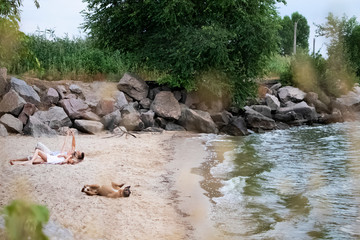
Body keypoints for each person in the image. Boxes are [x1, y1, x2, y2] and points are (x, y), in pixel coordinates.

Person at [10, 129, 85, 165]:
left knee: (36, 153)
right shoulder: (69, 155)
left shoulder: (69, 156)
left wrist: (69, 135)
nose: (78, 151)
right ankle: (16, 161)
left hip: (51, 156)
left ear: (77, 155)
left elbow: (69, 147)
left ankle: (28, 161)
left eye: (79, 152)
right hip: (51, 157)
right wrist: (72, 135)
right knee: (33, 158)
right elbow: (72, 144)